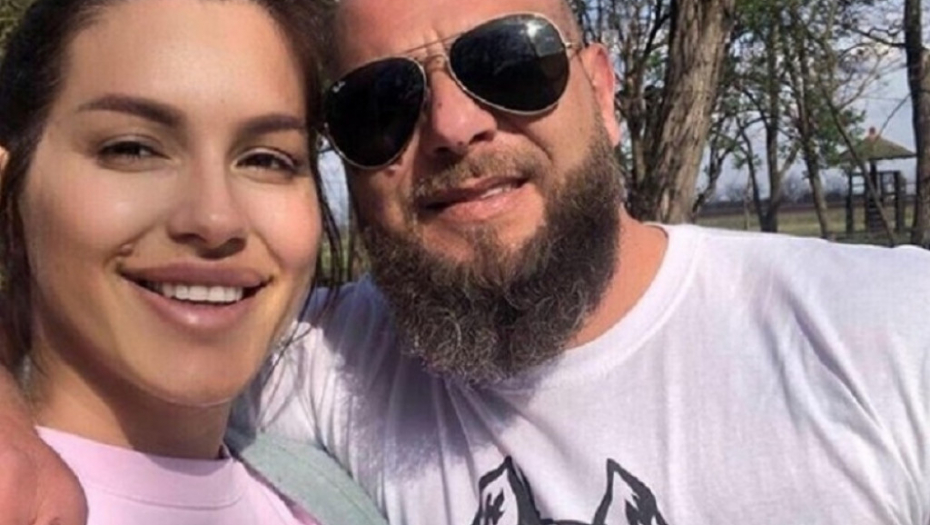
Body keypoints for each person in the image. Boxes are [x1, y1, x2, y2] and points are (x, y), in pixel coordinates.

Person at [4, 0, 930, 524]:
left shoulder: (887, 333)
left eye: (511, 62)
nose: (453, 126)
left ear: (604, 91)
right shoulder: (310, 364)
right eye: (381, 101)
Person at [0, 0, 384, 524]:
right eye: (133, 149)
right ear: (11, 192)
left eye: (267, 158)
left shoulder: (327, 497)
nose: (215, 218)